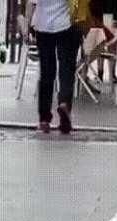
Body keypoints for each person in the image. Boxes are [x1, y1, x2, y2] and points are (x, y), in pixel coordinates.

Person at [30, 0, 84, 134]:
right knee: (66, 70)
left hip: (43, 25)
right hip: (67, 24)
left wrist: (27, 25)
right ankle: (64, 102)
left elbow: (32, 3)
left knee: (46, 72)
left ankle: (44, 119)